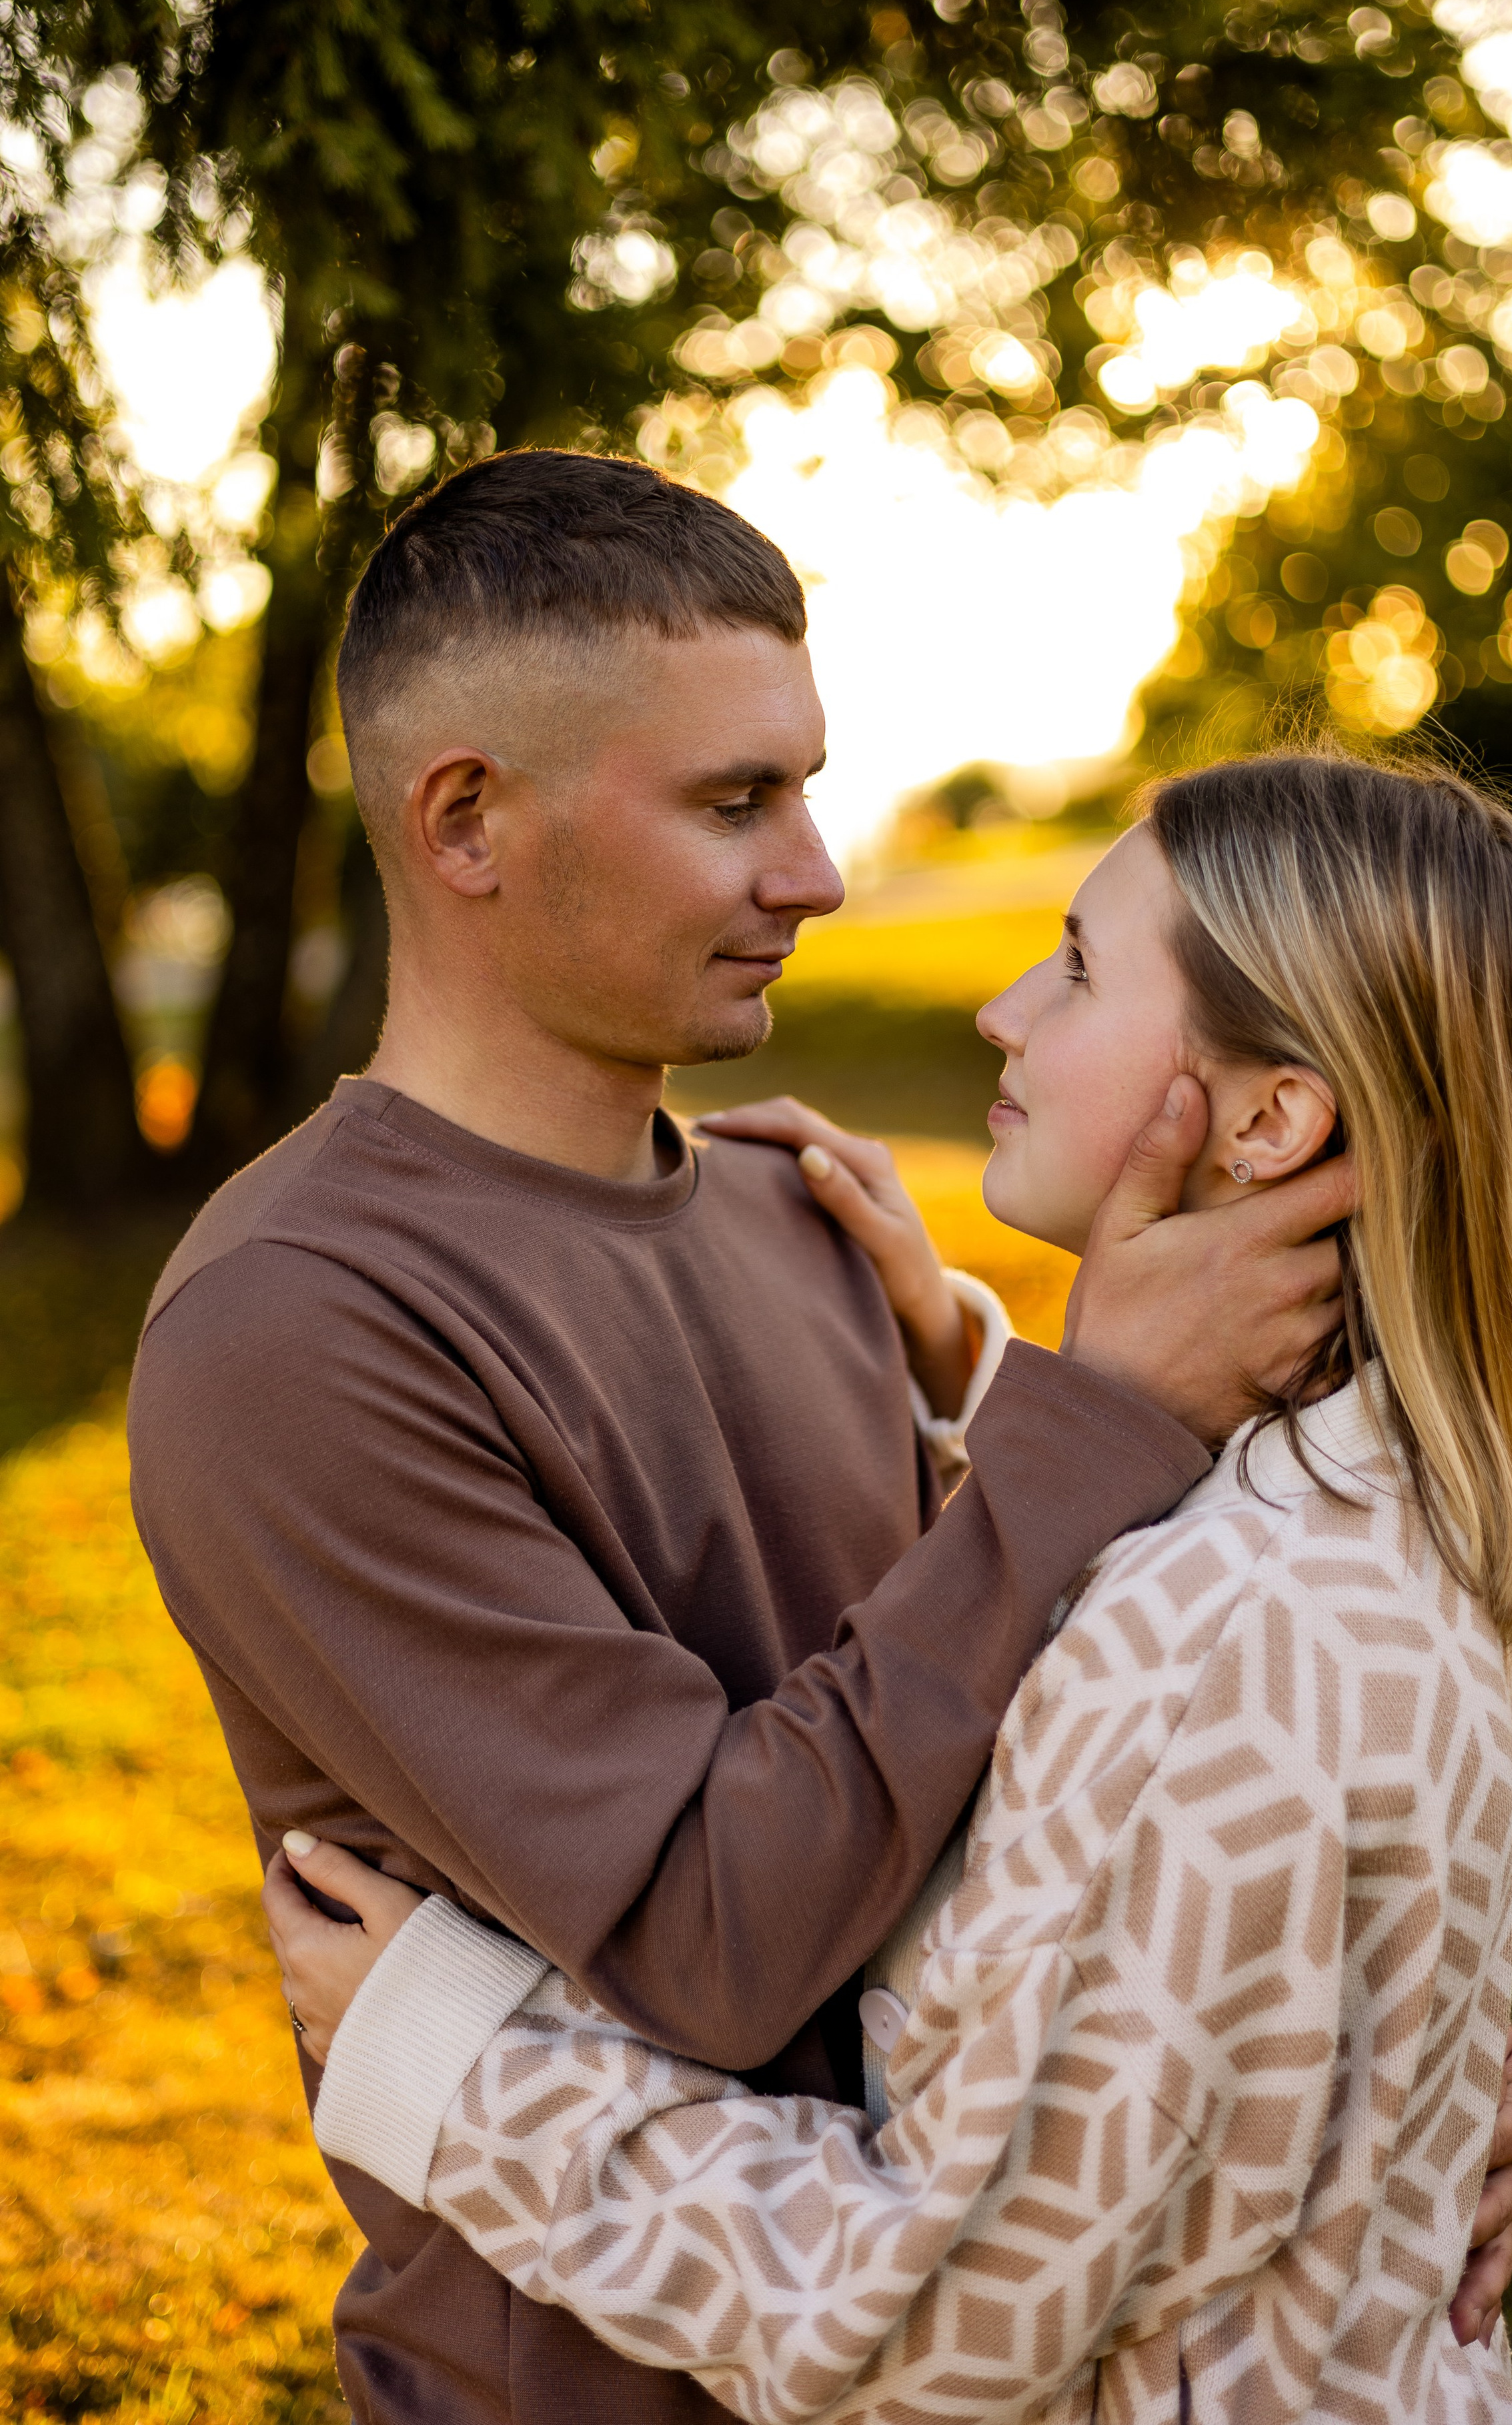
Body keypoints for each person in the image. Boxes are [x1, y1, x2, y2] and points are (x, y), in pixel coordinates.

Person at [126, 452, 1375, 2425]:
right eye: (736, 804)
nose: (816, 872)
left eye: (804, 784)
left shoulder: (804, 1219)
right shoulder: (297, 1332)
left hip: (969, 2341)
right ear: (467, 820)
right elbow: (722, 1941)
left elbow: (1037, 1777)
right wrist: (1099, 1417)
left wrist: (1391, 2041)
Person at [264, 750, 1512, 2424]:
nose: (998, 1008)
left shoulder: (1218, 1660)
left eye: (1075, 963)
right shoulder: (1377, 1504)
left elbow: (932, 2332)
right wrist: (989, 1367)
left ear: (1269, 1120)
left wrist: (456, 2065)